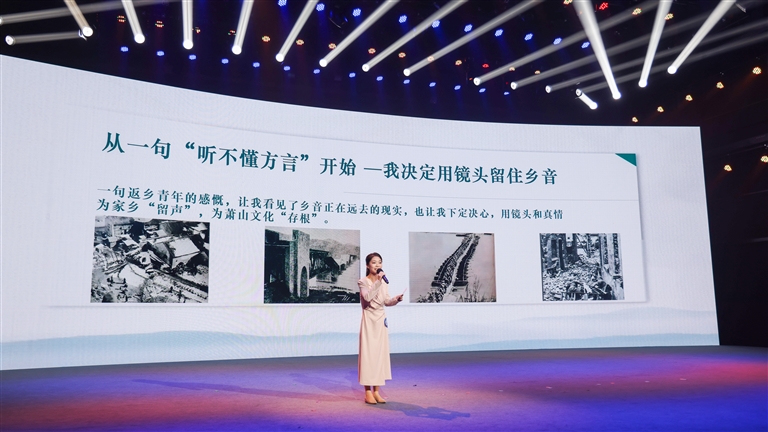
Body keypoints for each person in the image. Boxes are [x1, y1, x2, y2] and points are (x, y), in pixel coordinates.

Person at [358, 252, 403, 405]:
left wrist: (396, 300)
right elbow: (367, 298)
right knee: (368, 355)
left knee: (379, 355)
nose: (377, 265)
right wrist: (378, 281)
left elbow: (386, 301)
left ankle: (376, 391)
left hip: (381, 320)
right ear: (367, 265)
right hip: (369, 320)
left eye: (379, 262)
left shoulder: (383, 282)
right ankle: (367, 392)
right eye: (374, 262)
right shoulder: (363, 282)